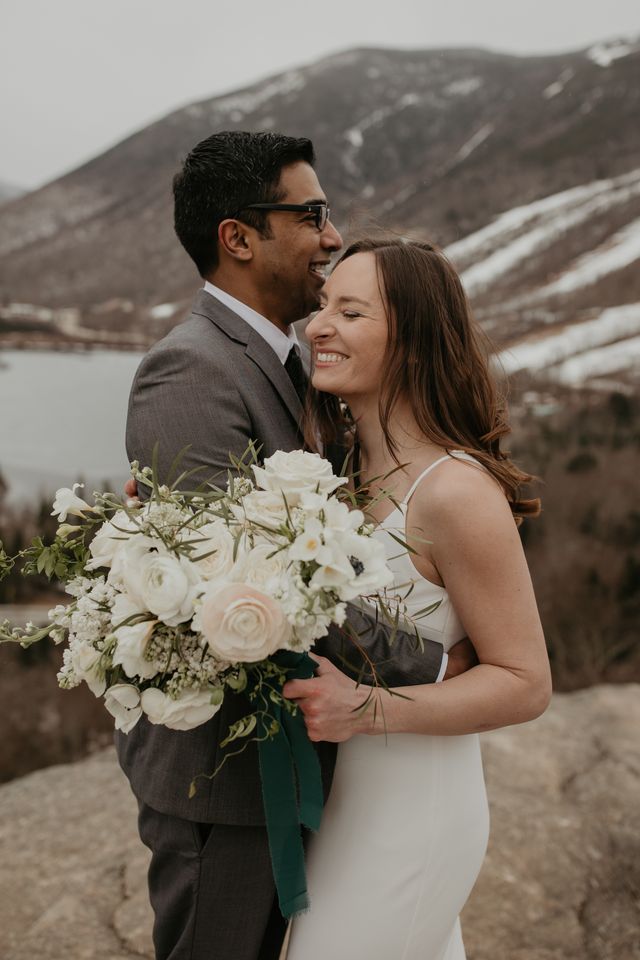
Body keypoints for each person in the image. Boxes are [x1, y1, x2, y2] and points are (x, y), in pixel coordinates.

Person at [118, 132, 471, 960]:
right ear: (238, 238)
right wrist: (438, 664)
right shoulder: (192, 370)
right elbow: (259, 590)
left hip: (311, 760)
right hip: (227, 784)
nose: (332, 234)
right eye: (309, 214)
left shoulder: (292, 362)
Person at [284, 238, 552, 960]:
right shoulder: (337, 471)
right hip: (342, 807)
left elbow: (526, 684)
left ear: (411, 337)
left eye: (350, 311)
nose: (318, 327)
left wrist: (364, 708)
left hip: (413, 815)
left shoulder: (457, 491)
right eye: (320, 307)